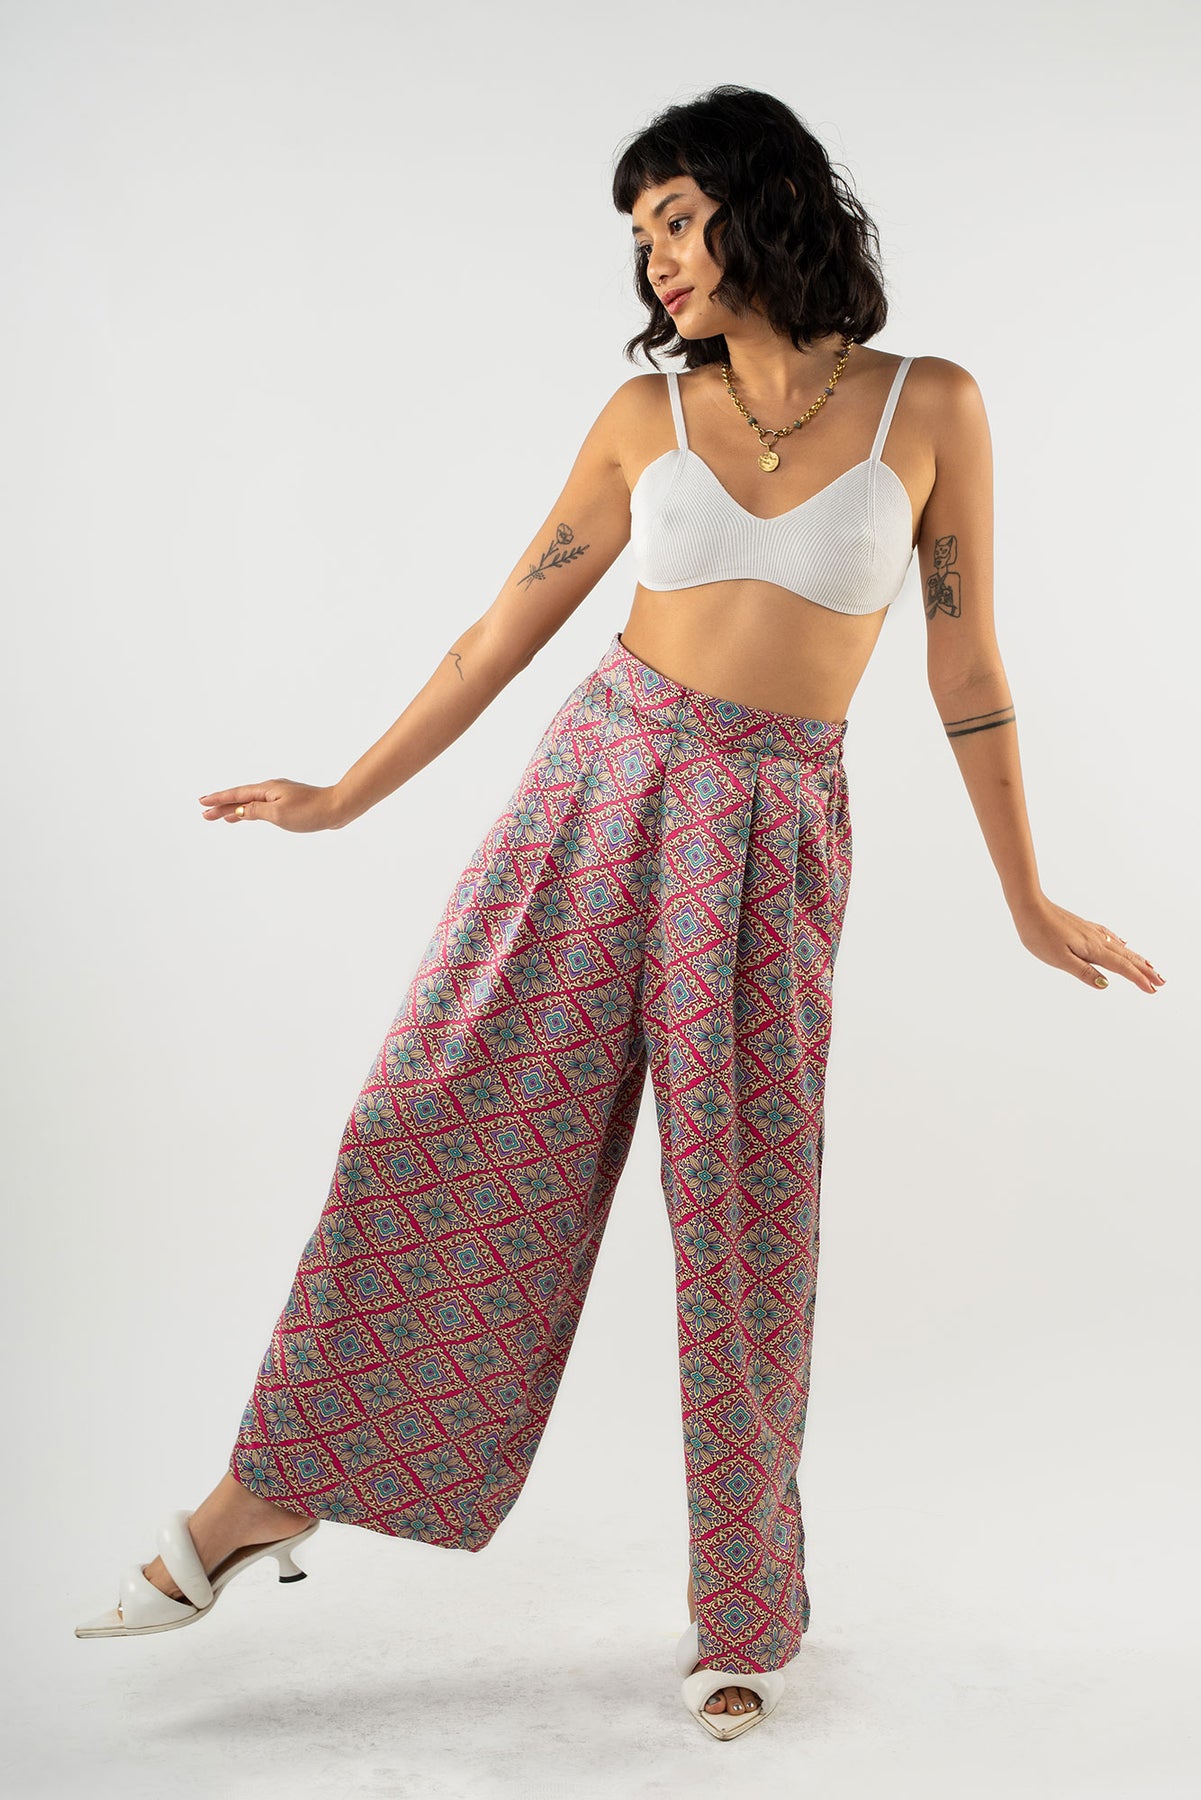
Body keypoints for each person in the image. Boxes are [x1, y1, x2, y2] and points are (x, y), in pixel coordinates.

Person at [73, 85, 1166, 1741]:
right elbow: (497, 632)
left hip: (773, 827)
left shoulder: (926, 404)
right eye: (638, 231)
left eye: (673, 216)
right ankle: (263, 1496)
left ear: (761, 203)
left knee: (742, 1216)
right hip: (598, 788)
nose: (654, 256)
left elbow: (965, 663)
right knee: (427, 1122)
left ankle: (743, 1612)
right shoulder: (641, 412)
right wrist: (344, 794)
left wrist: (1024, 894)